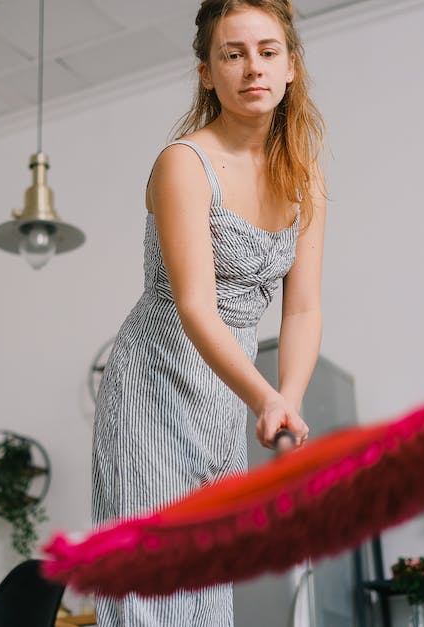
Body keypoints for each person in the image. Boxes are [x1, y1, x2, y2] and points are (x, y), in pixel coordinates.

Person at [91, 0, 325, 624]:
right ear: (206, 72)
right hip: (157, 380)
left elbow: (301, 310)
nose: (253, 67)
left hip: (227, 393)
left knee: (209, 588)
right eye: (233, 53)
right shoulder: (183, 164)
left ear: (291, 66)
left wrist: (288, 398)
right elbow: (195, 304)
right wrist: (264, 398)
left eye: (268, 52)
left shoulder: (305, 180)